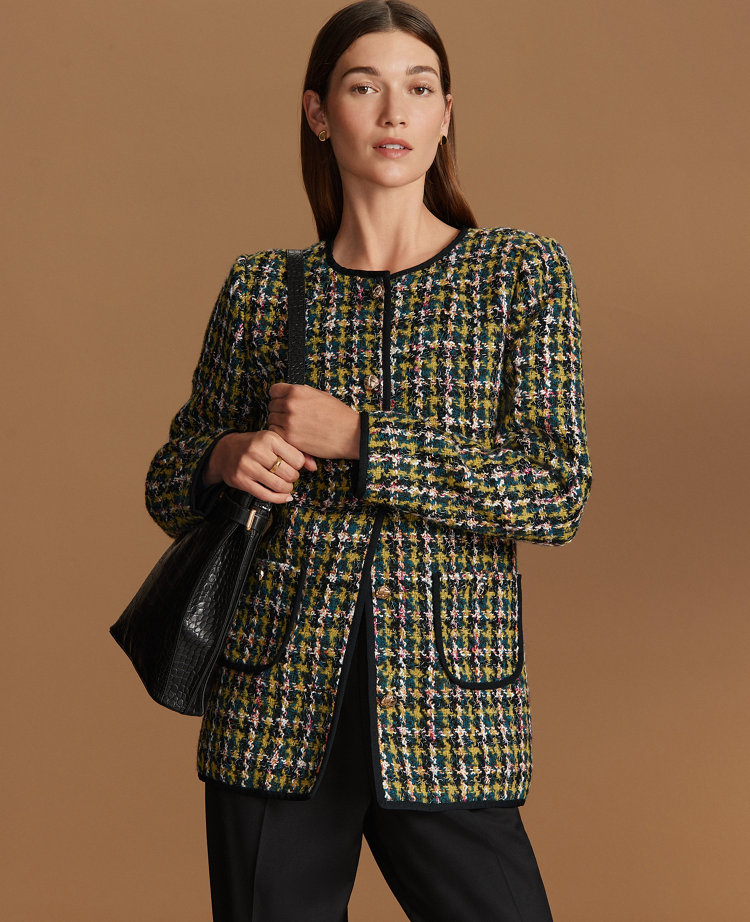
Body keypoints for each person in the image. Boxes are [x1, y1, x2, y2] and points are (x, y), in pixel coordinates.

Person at [144, 1, 592, 919]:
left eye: (419, 89)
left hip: (451, 706)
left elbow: (555, 491)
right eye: (364, 87)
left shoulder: (518, 273)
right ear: (319, 113)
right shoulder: (263, 287)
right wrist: (226, 456)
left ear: (446, 114)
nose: (394, 112)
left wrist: (362, 438)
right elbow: (168, 481)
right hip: (272, 708)